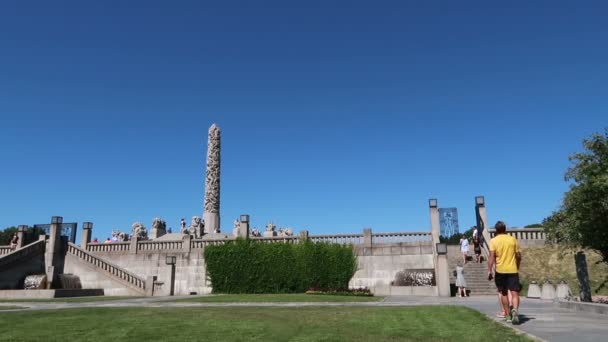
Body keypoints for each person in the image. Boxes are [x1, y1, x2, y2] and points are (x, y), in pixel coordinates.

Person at [487, 221, 522, 325]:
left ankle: (507, 315)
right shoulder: (512, 239)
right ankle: (515, 310)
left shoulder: (493, 241)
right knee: (515, 293)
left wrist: (489, 270)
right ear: (505, 229)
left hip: (500, 270)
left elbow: (491, 257)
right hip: (512, 270)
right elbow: (519, 256)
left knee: (504, 293)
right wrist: (517, 266)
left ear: (496, 230)